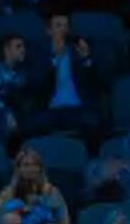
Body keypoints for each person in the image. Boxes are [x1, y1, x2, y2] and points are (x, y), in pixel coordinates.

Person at [28, 11, 104, 142]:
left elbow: (97, 84)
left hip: (78, 109)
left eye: (65, 26)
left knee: (95, 122)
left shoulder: (80, 51)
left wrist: (86, 59)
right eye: (58, 26)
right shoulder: (38, 55)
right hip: (51, 109)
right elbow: (36, 86)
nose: (62, 30)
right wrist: (54, 59)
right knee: (32, 126)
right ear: (49, 31)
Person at [0, 147, 72, 224]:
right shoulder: (7, 193)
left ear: (40, 168)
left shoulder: (52, 192)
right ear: (18, 168)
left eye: (34, 165)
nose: (30, 169)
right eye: (26, 165)